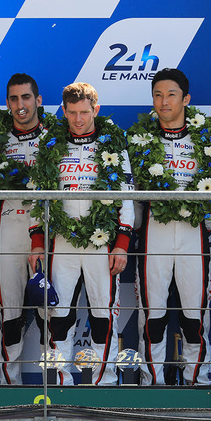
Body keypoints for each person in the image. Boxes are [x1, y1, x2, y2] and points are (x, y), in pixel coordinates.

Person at [126, 68, 211, 385]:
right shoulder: (141, 140)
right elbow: (133, 197)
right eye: (157, 95)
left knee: (193, 317)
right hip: (153, 234)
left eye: (171, 94)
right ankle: (151, 381)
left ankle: (197, 379)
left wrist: (199, 225)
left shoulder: (205, 138)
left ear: (186, 99)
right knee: (152, 316)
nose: (163, 101)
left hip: (192, 235)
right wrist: (142, 230)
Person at [28, 82, 134, 385]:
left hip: (102, 243)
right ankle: (60, 382)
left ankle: (106, 381)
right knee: (58, 315)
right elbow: (39, 197)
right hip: (62, 243)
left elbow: (126, 196)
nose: (78, 119)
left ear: (95, 110)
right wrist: (37, 242)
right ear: (63, 111)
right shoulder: (50, 142)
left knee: (103, 315)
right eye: (72, 113)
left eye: (84, 112)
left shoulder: (113, 143)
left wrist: (122, 244)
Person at [0, 73, 52, 384]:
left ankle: (53, 383)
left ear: (38, 100)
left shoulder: (54, 138)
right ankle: (10, 385)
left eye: (26, 98)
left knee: (51, 312)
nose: (21, 105)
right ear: (7, 103)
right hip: (8, 230)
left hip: (47, 233)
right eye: (14, 99)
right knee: (11, 313)